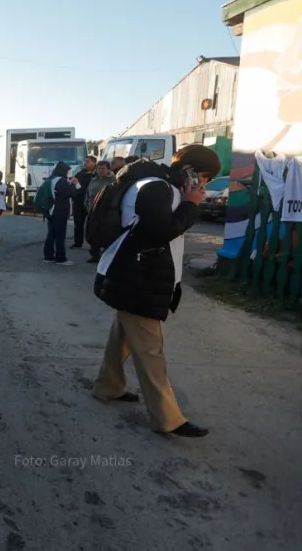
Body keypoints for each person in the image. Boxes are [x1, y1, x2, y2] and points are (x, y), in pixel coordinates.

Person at [91, 144, 221, 438]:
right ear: (190, 171)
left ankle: (108, 387)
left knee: (122, 336)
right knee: (151, 350)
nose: (204, 184)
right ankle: (168, 418)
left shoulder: (163, 187)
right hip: (138, 279)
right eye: (205, 177)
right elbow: (159, 231)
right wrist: (191, 205)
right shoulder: (156, 188)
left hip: (136, 277)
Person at [43, 161, 77, 265]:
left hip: (50, 210)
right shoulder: (61, 181)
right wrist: (75, 184)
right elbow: (73, 193)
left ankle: (48, 256)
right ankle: (61, 258)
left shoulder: (50, 179)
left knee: (51, 234)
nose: (67, 173)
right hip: (60, 211)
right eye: (66, 171)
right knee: (60, 235)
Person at [83, 160, 114, 263]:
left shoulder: (113, 181)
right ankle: (94, 255)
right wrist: (87, 206)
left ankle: (107, 256)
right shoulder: (94, 180)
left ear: (108, 169)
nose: (100, 171)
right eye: (99, 168)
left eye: (103, 168)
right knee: (93, 234)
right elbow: (87, 194)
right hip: (93, 211)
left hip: (107, 213)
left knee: (107, 234)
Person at [71, 156, 97, 249]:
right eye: (84, 162)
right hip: (79, 202)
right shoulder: (80, 173)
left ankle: (94, 245)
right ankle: (78, 243)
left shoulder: (97, 174)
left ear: (94, 163)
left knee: (92, 224)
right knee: (78, 223)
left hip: (91, 202)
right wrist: (75, 183)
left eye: (87, 162)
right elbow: (76, 188)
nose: (85, 163)